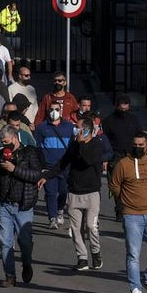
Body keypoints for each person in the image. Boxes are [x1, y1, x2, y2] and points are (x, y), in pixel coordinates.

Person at [43, 112, 106, 271]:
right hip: (74, 192)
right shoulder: (73, 144)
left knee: (91, 226)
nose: (74, 130)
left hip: (91, 193)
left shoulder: (96, 145)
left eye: (77, 128)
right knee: (76, 228)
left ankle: (95, 252)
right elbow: (62, 163)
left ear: (85, 131)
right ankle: (82, 257)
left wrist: (82, 143)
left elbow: (87, 161)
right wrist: (47, 176)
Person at [109, 131, 147, 293]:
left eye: (141, 145)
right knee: (133, 254)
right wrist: (126, 202)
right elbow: (114, 185)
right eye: (135, 145)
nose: (138, 147)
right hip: (131, 215)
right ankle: (135, 287)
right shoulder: (123, 164)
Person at [0, 125, 42, 287]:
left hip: (23, 204)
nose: (4, 145)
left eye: (6, 141)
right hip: (5, 203)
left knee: (25, 242)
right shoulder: (1, 154)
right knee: (5, 242)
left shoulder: (29, 153)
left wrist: (14, 169)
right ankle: (10, 275)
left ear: (15, 138)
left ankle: (26, 263)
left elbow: (36, 175)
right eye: (2, 142)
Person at [34, 102, 75, 228]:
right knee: (51, 193)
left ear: (61, 110)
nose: (54, 112)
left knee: (63, 192)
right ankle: (52, 218)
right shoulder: (41, 127)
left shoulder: (69, 127)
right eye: (51, 109)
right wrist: (41, 166)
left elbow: (73, 146)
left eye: (56, 109)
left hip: (65, 167)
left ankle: (60, 210)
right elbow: (38, 148)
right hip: (49, 167)